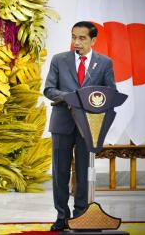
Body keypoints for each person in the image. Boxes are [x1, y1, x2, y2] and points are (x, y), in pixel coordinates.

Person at [43, 21, 116, 231]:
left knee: (84, 172)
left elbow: (110, 93)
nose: (76, 42)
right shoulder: (59, 60)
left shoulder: (104, 63)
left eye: (82, 38)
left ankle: (81, 215)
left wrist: (91, 100)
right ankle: (62, 217)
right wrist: (72, 97)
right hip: (62, 124)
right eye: (74, 37)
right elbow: (49, 90)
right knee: (60, 172)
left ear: (93, 40)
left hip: (89, 126)